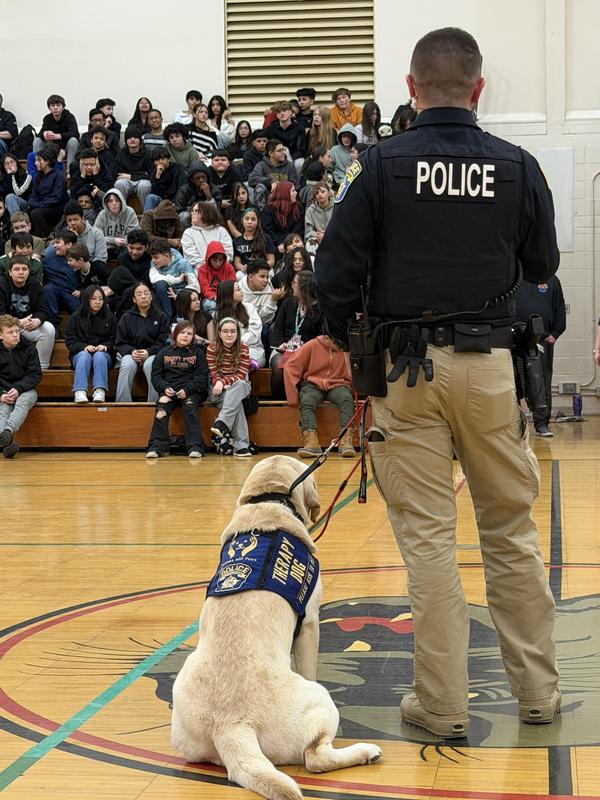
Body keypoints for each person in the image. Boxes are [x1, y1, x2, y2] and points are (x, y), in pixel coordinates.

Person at [314, 26, 561, 737]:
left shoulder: (380, 166)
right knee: (510, 534)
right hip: (489, 368)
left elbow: (333, 272)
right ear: (478, 89)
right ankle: (539, 696)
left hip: (403, 372)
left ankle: (444, 707)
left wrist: (349, 334)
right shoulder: (518, 167)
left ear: (410, 88)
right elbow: (540, 266)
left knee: (428, 542)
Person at [284, 332, 356, 458]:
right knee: (307, 400)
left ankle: (346, 440)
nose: (340, 346)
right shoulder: (312, 345)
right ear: (327, 338)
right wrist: (292, 397)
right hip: (313, 384)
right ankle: (311, 440)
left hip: (338, 384)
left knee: (346, 399)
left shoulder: (346, 348)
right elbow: (291, 366)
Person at [145, 319, 209, 459]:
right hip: (170, 390)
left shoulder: (198, 353)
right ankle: (157, 447)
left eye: (189, 333)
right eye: (182, 332)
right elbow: (156, 376)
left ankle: (195, 447)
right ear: (175, 334)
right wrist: (165, 388)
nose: (185, 336)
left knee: (189, 407)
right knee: (161, 409)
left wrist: (187, 390)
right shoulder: (163, 352)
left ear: (193, 337)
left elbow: (201, 379)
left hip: (191, 391)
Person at [515, 276, 566, 437]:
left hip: (542, 340)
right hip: (515, 338)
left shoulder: (552, 280)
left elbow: (559, 308)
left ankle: (541, 423)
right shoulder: (514, 276)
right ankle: (515, 423)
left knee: (542, 380)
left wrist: (555, 333)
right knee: (512, 381)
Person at [268, 269, 322, 398]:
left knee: (299, 367)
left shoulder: (319, 309)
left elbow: (320, 336)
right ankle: (278, 404)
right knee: (279, 367)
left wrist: (305, 348)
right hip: (285, 348)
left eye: (295, 283)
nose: (292, 285)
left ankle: (297, 400)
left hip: (307, 350)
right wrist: (280, 345)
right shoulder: (288, 303)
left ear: (304, 287)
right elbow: (277, 329)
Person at [206, 316, 254, 457]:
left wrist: (225, 382)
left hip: (238, 387)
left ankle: (222, 421)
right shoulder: (212, 348)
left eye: (233, 331)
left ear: (238, 333)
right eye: (225, 331)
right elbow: (213, 374)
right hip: (217, 390)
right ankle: (241, 447)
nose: (229, 334)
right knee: (236, 404)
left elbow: (241, 374)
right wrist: (220, 382)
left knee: (241, 385)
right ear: (219, 333)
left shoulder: (244, 348)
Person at [115, 282, 170, 402]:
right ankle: (122, 404)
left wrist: (149, 351)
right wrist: (132, 351)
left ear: (151, 296)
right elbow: (120, 342)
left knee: (151, 364)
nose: (143, 296)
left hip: (153, 353)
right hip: (131, 353)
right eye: (139, 294)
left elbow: (163, 341)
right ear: (134, 299)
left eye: (146, 293)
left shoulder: (161, 317)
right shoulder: (126, 317)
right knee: (126, 364)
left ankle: (154, 403)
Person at [0, 256, 55, 369]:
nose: (21, 272)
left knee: (48, 329)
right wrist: (18, 322)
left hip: (28, 326)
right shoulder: (2, 284)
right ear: (10, 272)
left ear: (29, 271)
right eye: (16, 269)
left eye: (24, 269)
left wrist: (37, 320)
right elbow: (1, 314)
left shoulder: (35, 285)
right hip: (5, 327)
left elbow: (43, 309)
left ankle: (41, 368)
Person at [64, 285, 116, 403]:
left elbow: (114, 339)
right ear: (87, 299)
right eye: (93, 298)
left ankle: (100, 390)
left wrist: (106, 346)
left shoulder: (110, 317)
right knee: (84, 356)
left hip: (104, 354)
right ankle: (80, 391)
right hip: (80, 353)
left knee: (99, 355)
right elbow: (70, 340)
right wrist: (84, 347)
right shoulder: (76, 316)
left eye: (100, 298)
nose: (98, 302)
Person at [0, 313, 41, 459]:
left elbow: (35, 374)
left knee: (23, 401)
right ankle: (6, 444)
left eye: (17, 331)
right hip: (3, 390)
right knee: (3, 407)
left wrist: (18, 389)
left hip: (26, 390)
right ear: (1, 335)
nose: (15, 335)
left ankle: (7, 433)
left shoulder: (29, 347)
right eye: (10, 332)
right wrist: (1, 394)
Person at [215, 279, 265, 367]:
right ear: (228, 294)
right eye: (238, 290)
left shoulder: (249, 308)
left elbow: (255, 332)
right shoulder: (217, 315)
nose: (241, 292)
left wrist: (236, 343)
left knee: (241, 360)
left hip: (251, 349)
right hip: (227, 350)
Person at [148, 237, 199, 319]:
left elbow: (194, 286)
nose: (153, 261)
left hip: (181, 297)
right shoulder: (153, 263)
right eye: (152, 257)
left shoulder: (182, 264)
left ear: (167, 256)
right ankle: (166, 319)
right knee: (160, 285)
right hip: (165, 297)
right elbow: (154, 279)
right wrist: (178, 279)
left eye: (156, 257)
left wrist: (178, 296)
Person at [107, 229, 152, 315]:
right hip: (122, 294)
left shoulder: (149, 260)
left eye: (139, 249)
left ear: (146, 247)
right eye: (131, 248)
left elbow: (146, 283)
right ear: (127, 245)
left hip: (142, 293)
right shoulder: (122, 259)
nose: (134, 252)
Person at [28, 146, 69, 237]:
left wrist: (38, 205)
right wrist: (33, 203)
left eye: (38, 160)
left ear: (47, 162)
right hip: (42, 206)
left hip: (57, 208)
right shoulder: (38, 176)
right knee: (27, 211)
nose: (35, 163)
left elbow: (56, 198)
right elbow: (33, 196)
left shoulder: (58, 176)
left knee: (36, 213)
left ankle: (45, 238)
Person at [41, 229, 78, 327]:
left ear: (69, 244)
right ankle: (54, 327)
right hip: (54, 294)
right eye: (54, 242)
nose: (54, 245)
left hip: (72, 294)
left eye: (58, 242)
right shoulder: (48, 258)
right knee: (47, 289)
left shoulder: (79, 258)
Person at [33, 94, 80, 171]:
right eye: (52, 105)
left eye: (58, 105)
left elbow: (75, 134)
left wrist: (58, 136)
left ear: (63, 107)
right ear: (49, 108)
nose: (55, 108)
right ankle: (38, 169)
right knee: (37, 140)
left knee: (73, 141)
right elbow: (40, 135)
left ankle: (70, 172)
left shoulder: (69, 117)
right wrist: (44, 134)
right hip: (51, 149)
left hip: (65, 149)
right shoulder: (47, 118)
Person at [181, 201, 233, 269]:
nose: (192, 213)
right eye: (192, 211)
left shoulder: (221, 230)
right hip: (198, 272)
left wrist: (218, 266)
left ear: (207, 213)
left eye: (196, 210)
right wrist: (207, 269)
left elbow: (228, 252)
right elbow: (190, 256)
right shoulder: (188, 233)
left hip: (221, 270)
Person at [112, 127, 153, 210]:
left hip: (142, 182)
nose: (132, 140)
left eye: (135, 137)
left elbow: (151, 175)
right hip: (127, 182)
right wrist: (142, 174)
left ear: (140, 140)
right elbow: (118, 174)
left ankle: (146, 215)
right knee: (119, 183)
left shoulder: (147, 153)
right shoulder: (120, 153)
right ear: (126, 140)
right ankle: (121, 214)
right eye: (129, 138)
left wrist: (131, 176)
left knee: (144, 185)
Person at [93, 188, 140, 257]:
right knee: (98, 252)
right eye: (110, 201)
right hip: (107, 247)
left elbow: (134, 235)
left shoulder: (129, 212)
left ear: (121, 201)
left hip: (125, 247)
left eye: (117, 200)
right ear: (106, 204)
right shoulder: (102, 214)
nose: (114, 204)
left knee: (125, 253)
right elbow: (95, 236)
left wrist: (120, 243)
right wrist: (113, 241)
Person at [261, 182, 304, 252]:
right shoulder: (268, 209)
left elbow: (299, 228)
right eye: (293, 191)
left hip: (293, 241)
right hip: (275, 243)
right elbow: (267, 230)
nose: (296, 193)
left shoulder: (299, 208)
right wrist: (279, 243)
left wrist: (289, 243)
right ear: (285, 193)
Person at [64, 201, 108, 268]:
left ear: (83, 218)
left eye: (75, 219)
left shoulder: (96, 234)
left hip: (92, 270)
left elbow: (101, 259)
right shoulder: (65, 235)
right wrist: (72, 239)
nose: (72, 223)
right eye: (69, 220)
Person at [232, 207, 276, 274]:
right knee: (238, 275)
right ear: (242, 220)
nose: (249, 222)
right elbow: (237, 263)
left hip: (263, 269)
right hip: (245, 271)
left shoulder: (266, 238)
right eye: (247, 219)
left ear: (258, 221)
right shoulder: (236, 241)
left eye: (253, 219)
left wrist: (259, 268)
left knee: (270, 273)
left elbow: (271, 261)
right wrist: (243, 268)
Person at [197, 240, 236, 313]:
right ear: (209, 259)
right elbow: (205, 289)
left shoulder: (229, 268)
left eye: (220, 260)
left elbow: (233, 285)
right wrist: (215, 297)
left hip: (227, 298)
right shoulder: (202, 270)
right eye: (215, 260)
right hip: (210, 299)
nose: (218, 263)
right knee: (211, 305)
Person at [174, 162, 215, 228]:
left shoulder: (214, 189)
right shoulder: (184, 190)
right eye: (197, 178)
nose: (201, 180)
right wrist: (194, 213)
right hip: (190, 216)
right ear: (192, 179)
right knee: (183, 216)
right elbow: (179, 210)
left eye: (203, 177)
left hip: (208, 217)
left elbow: (216, 211)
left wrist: (209, 197)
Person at [144, 146, 185, 211]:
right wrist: (158, 177)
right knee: (150, 197)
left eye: (163, 158)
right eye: (157, 160)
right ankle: (146, 220)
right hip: (161, 201)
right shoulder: (154, 173)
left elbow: (181, 188)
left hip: (175, 202)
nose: (160, 162)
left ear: (168, 159)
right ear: (154, 162)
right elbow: (155, 193)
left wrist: (174, 202)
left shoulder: (178, 168)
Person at [304, 182, 335, 255]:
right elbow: (308, 231)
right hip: (316, 238)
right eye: (317, 193)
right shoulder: (311, 210)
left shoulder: (336, 208)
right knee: (310, 243)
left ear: (329, 193)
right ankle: (312, 265)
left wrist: (326, 235)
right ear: (315, 196)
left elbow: (341, 228)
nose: (320, 194)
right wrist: (317, 234)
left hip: (334, 237)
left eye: (323, 191)